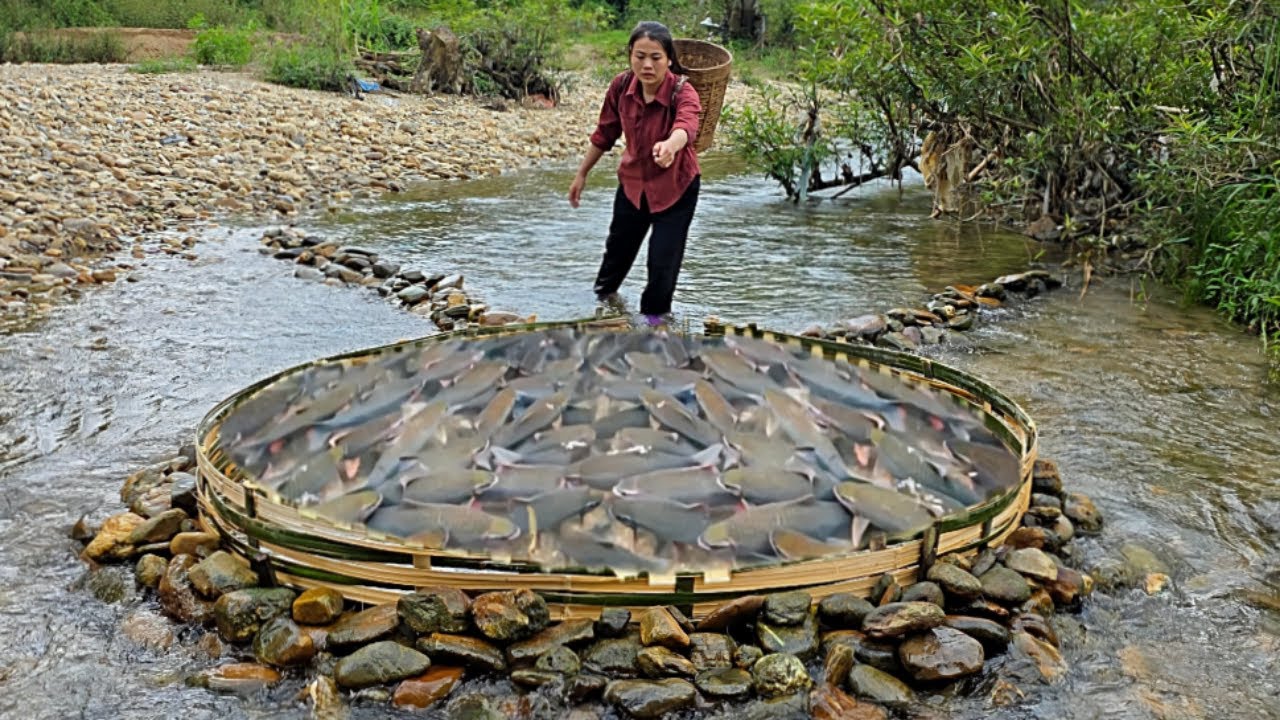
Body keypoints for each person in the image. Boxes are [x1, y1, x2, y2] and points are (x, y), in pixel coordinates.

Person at [568, 21, 701, 328]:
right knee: (615, 258)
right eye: (640, 56)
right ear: (630, 55)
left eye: (656, 57)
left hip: (676, 188)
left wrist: (670, 145)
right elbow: (605, 133)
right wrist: (581, 174)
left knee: (662, 265)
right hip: (633, 185)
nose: (647, 65)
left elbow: (687, 126)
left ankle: (655, 327)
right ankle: (603, 312)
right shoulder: (621, 86)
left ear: (669, 60)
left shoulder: (683, 90)